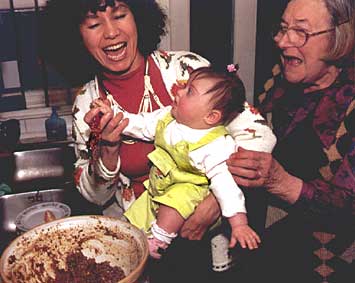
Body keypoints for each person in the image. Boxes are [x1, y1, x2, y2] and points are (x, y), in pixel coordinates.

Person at [40, 0, 276, 282]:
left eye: (119, 16)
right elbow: (95, 196)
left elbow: (258, 133)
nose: (111, 32)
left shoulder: (187, 71)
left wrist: (214, 200)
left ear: (138, 17)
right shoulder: (86, 105)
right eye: (93, 24)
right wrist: (109, 150)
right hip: (138, 237)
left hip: (199, 239)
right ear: (76, 37)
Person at [224, 0, 355, 282]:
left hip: (323, 268)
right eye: (283, 28)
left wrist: (281, 183)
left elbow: (349, 208)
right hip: (263, 255)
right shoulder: (279, 77)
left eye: (300, 31)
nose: (282, 41)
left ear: (339, 38)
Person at [90, 66, 277, 259]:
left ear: (211, 116)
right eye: (185, 86)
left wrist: (239, 224)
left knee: (176, 199)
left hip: (188, 192)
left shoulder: (217, 146)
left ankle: (159, 241)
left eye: (189, 91)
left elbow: (227, 187)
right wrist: (112, 115)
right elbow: (140, 123)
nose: (178, 91)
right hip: (158, 187)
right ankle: (129, 241)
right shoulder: (168, 117)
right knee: (133, 219)